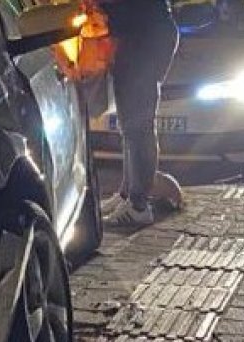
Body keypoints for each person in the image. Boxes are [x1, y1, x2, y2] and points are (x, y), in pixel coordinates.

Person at [98, 0, 181, 226]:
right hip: (137, 37)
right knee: (129, 127)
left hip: (143, 39)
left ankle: (138, 206)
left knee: (138, 127)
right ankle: (127, 193)